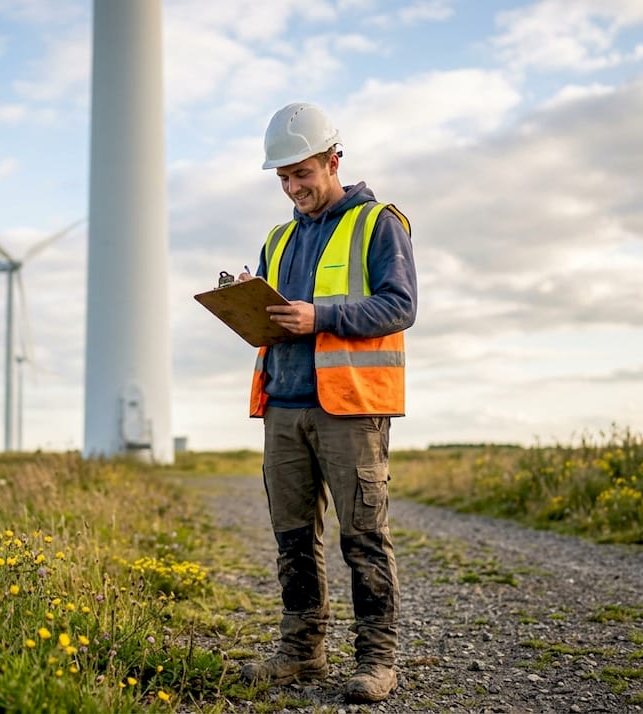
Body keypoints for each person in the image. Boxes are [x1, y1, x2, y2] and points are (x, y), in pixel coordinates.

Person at [236, 102, 417, 704]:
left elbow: (399, 306)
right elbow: (273, 319)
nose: (293, 189)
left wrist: (323, 316)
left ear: (334, 161)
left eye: (303, 174)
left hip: (350, 407)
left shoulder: (378, 222)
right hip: (284, 404)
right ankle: (301, 652)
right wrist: (246, 302)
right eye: (283, 178)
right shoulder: (278, 237)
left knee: (362, 534)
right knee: (292, 537)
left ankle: (377, 660)